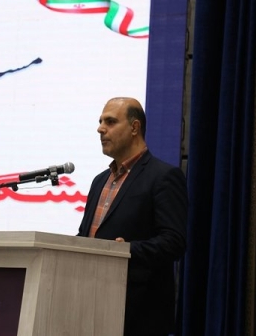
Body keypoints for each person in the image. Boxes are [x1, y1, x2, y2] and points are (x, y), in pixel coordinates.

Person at [77, 97, 188, 336]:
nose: (100, 129)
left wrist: (127, 250)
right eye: (100, 121)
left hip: (139, 314)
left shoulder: (163, 177)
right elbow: (86, 236)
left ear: (134, 127)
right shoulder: (99, 181)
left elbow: (174, 242)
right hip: (91, 306)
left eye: (110, 122)